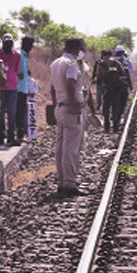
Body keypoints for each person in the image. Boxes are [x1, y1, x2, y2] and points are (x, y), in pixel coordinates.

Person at [50, 37, 87, 197]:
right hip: (70, 109)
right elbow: (71, 84)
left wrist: (57, 104)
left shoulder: (55, 63)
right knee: (70, 149)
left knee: (60, 148)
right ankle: (69, 184)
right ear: (77, 48)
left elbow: (52, 88)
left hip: (60, 107)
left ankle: (61, 181)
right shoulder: (71, 64)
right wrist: (73, 105)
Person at [0, 34, 21, 146]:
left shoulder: (17, 55)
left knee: (11, 113)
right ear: (3, 42)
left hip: (12, 87)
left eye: (10, 42)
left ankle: (11, 137)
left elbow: (16, 70)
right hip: (0, 87)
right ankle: (0, 136)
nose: (8, 44)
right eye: (6, 42)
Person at [102, 52, 129, 133]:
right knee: (115, 108)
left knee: (106, 108)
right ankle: (115, 127)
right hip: (116, 90)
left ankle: (106, 127)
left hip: (106, 89)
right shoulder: (117, 63)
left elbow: (98, 76)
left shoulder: (101, 64)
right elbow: (123, 73)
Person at [16, 36, 34, 143]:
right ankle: (19, 135)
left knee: (22, 112)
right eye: (30, 45)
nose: (31, 48)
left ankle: (21, 134)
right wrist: (19, 73)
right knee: (19, 112)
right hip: (18, 88)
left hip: (23, 88)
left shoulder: (25, 55)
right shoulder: (19, 54)